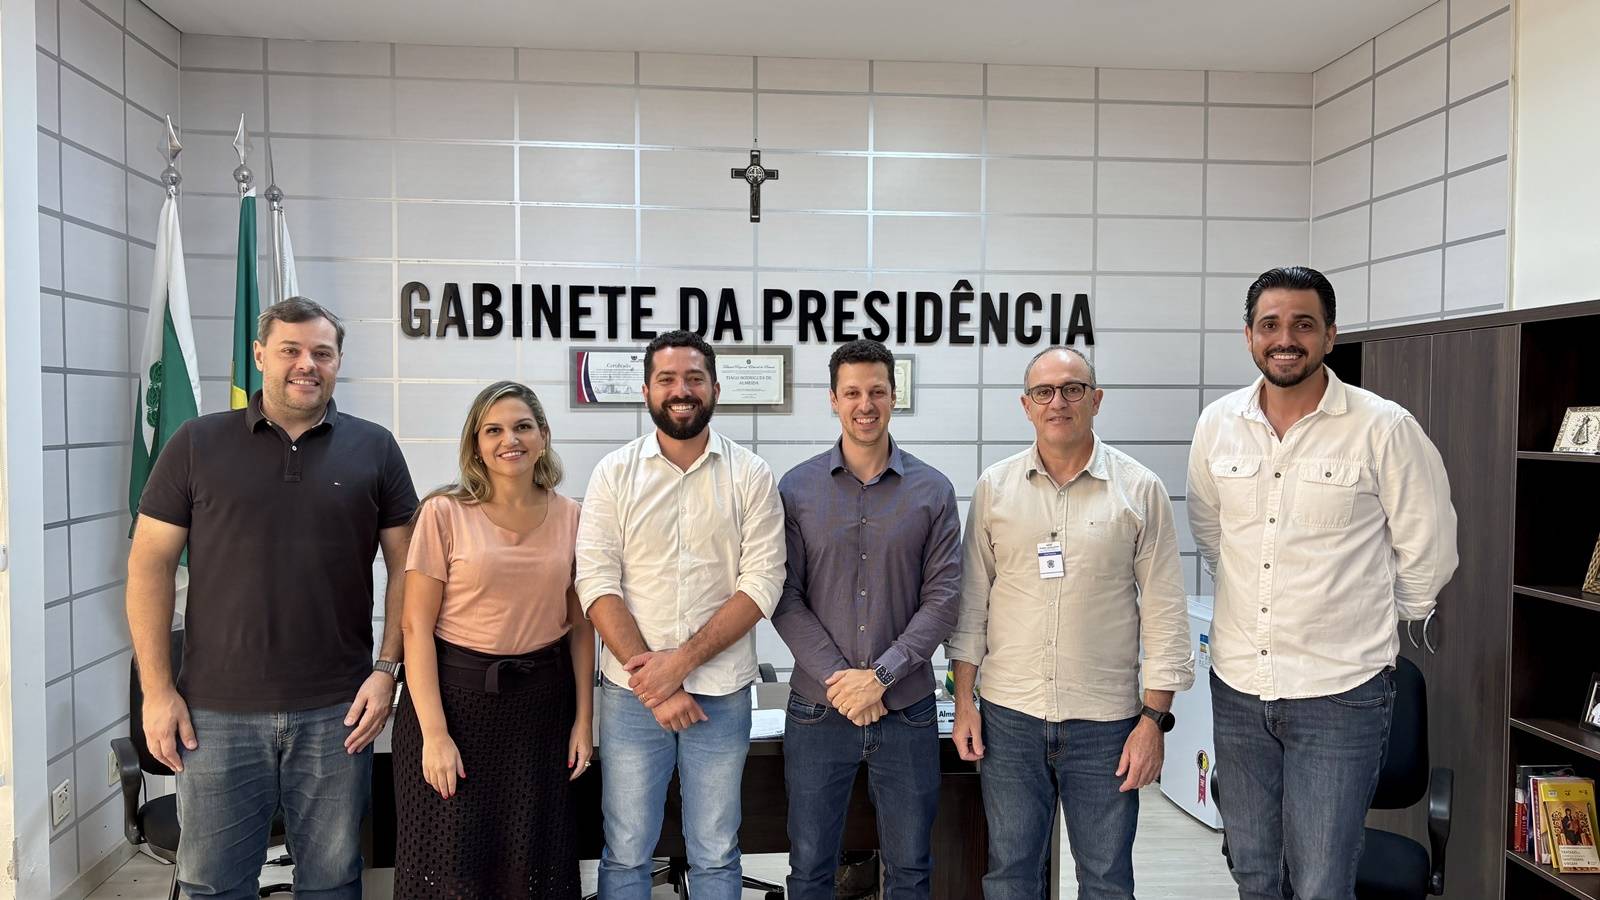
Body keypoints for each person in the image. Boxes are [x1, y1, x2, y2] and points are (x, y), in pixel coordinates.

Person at [126, 297, 416, 899]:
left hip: (339, 713)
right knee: (211, 885)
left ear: (337, 363)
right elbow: (149, 566)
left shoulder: (376, 448)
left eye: (322, 352)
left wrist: (387, 670)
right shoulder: (196, 443)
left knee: (333, 882)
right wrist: (158, 690)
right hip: (215, 715)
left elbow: (409, 568)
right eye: (290, 350)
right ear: (260, 356)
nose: (305, 364)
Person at [1187, 266, 1458, 900]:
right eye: (1271, 325)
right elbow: (1212, 533)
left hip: (1340, 692)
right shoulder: (1217, 424)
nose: (1287, 339)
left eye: (1303, 325)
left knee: (1320, 883)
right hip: (1238, 688)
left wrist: (1370, 619)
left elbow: (1429, 547)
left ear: (1330, 335)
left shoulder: (1383, 427)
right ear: (1249, 336)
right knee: (1253, 872)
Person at [947, 346, 1193, 900]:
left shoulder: (1140, 490)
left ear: (1096, 399)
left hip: (1106, 724)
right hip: (1010, 718)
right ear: (1026, 406)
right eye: (1044, 392)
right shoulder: (994, 488)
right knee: (1011, 875)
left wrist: (1153, 721)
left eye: (1073, 389)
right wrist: (966, 702)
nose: (1058, 401)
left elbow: (1164, 615)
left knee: (1106, 880)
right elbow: (971, 607)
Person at [574, 330, 786, 900]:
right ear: (646, 390)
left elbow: (762, 583)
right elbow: (595, 583)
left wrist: (681, 665)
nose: (681, 390)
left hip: (721, 694)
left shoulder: (751, 475)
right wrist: (657, 682)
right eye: (667, 379)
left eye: (694, 378)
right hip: (630, 698)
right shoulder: (613, 474)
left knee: (717, 854)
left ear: (715, 388)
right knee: (624, 854)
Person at [771, 339, 962, 900]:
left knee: (910, 871)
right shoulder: (796, 489)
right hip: (816, 711)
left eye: (877, 390)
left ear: (894, 396)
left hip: (905, 712)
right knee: (809, 871)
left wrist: (878, 677)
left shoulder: (933, 490)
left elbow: (943, 600)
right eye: (852, 392)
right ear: (832, 399)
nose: (865, 403)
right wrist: (843, 681)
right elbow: (784, 596)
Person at [390, 380, 594, 897]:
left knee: (533, 864)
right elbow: (415, 629)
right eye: (494, 429)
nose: (511, 439)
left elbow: (580, 628)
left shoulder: (572, 516)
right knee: (450, 863)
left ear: (543, 436)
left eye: (523, 426)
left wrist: (584, 722)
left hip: (540, 712)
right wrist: (435, 735)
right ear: (476, 443)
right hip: (454, 708)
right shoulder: (443, 512)